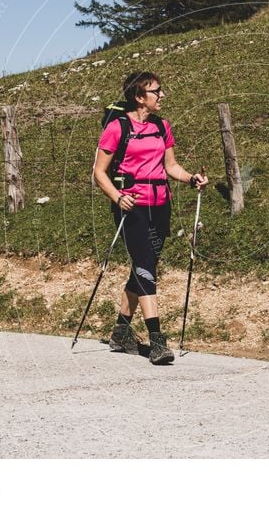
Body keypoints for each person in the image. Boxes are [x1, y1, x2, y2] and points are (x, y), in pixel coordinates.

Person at [92, 71, 208, 365]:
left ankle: (121, 331)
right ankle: (157, 340)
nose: (162, 95)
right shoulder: (117, 128)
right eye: (157, 91)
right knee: (145, 266)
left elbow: (171, 166)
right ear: (139, 96)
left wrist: (190, 178)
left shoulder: (162, 126)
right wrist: (118, 197)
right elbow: (99, 173)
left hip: (161, 205)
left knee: (144, 268)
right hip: (131, 207)